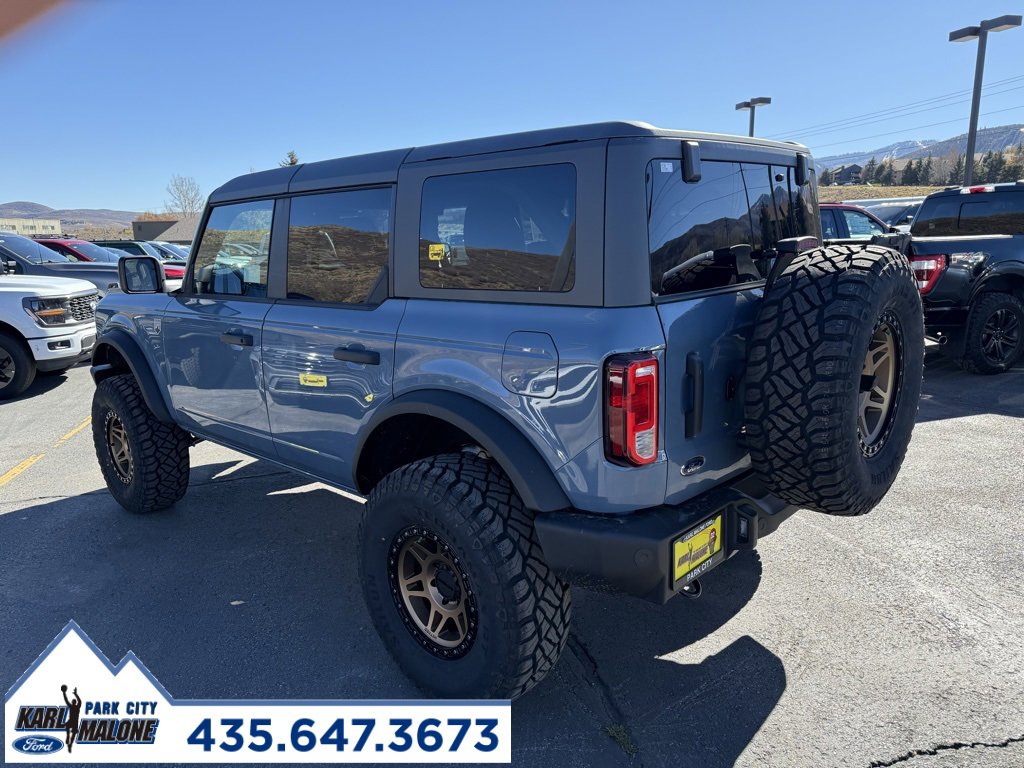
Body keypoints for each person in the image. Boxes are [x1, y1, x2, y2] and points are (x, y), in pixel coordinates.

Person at [61, 684, 82, 754]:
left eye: (73, 701)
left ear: (74, 702)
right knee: (69, 728)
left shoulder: (75, 707)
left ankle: (70, 743)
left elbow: (79, 701)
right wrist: (64, 693)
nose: (73, 702)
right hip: (73, 721)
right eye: (73, 701)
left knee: (72, 733)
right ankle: (68, 738)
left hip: (74, 721)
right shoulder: (74, 706)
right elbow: (66, 700)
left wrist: (76, 694)